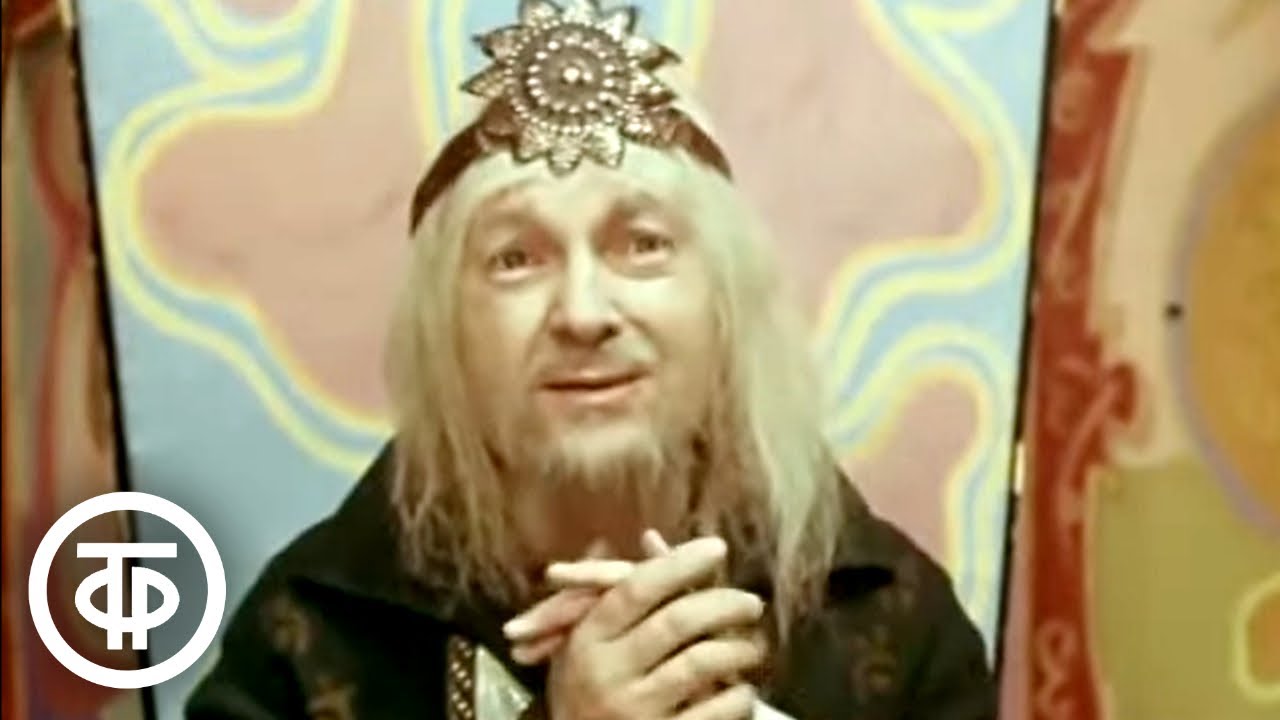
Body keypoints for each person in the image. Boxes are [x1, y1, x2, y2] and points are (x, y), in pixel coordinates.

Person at [186, 1, 997, 717]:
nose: (582, 313)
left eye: (642, 245)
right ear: (447, 336)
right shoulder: (305, 637)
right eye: (515, 259)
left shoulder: (891, 617)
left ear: (727, 309)